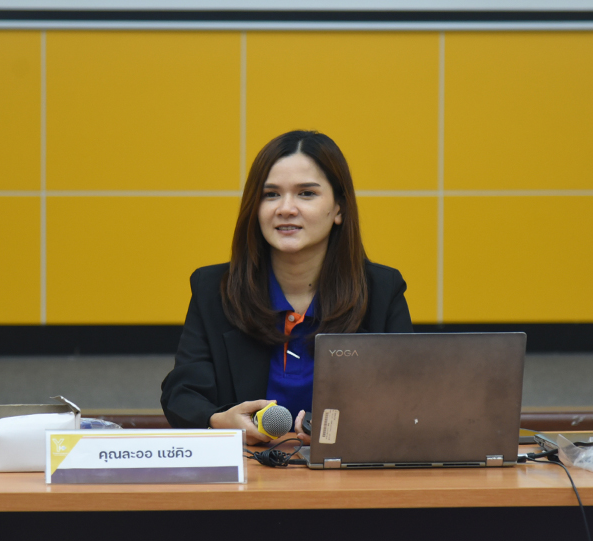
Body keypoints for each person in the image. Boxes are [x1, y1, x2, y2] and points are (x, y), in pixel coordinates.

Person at [160, 130, 413, 445]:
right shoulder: (214, 288)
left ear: (339, 209)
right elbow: (181, 393)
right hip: (249, 467)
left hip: (343, 469)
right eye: (271, 194)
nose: (286, 208)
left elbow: (409, 399)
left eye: (306, 193)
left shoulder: (381, 290)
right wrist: (219, 421)